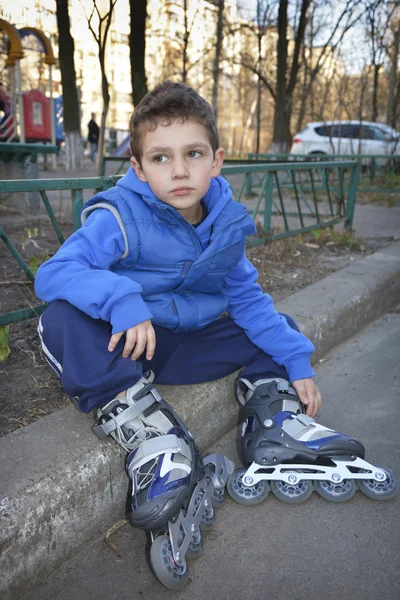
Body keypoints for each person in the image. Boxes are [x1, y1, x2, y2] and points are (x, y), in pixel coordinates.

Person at [34, 80, 327, 541]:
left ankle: (273, 417)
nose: (179, 171)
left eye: (193, 154)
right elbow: (54, 273)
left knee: (281, 329)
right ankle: (151, 437)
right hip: (130, 347)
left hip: (190, 346)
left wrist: (296, 361)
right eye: (160, 158)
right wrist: (121, 298)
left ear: (217, 160)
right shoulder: (118, 216)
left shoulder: (224, 225)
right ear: (138, 166)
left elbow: (248, 301)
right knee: (60, 318)